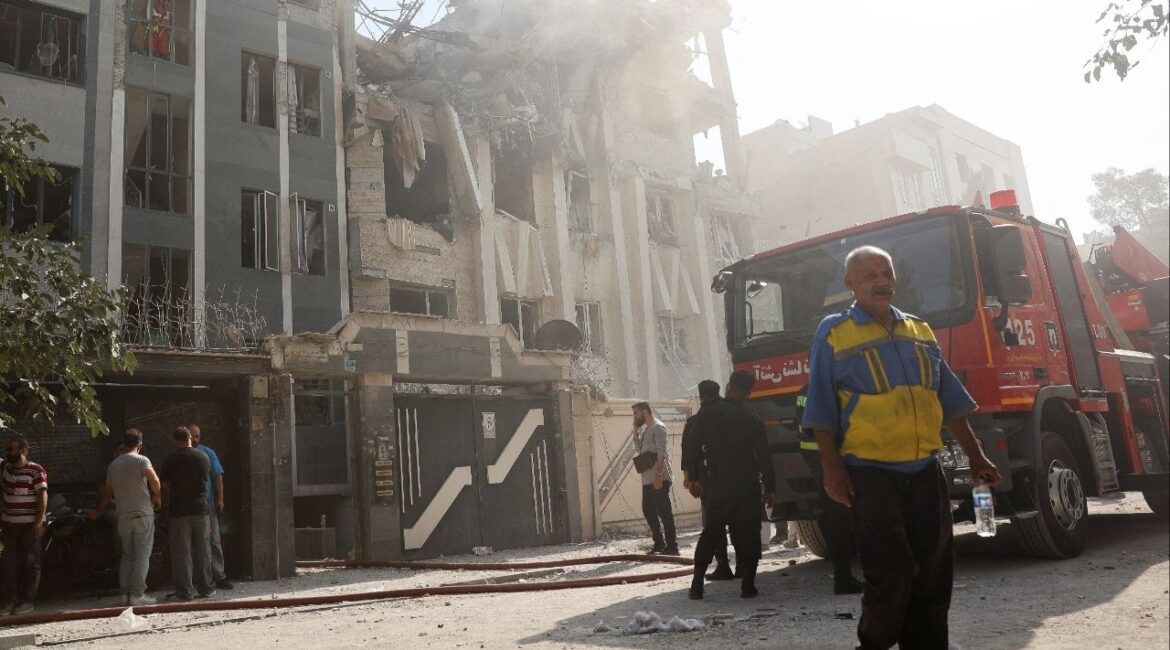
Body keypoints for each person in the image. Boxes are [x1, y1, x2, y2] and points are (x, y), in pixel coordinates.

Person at [801, 245, 1002, 649]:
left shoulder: (920, 332)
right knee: (891, 571)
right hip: (870, 472)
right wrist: (831, 467)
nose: (880, 281)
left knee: (933, 573)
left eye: (886, 273)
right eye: (870, 275)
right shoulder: (834, 332)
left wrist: (976, 455)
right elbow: (820, 404)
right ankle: (873, 643)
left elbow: (948, 400)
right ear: (851, 284)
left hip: (925, 471)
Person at [685, 370, 775, 600]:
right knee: (749, 534)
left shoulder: (708, 414)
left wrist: (693, 477)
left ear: (728, 387)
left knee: (711, 533)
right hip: (746, 486)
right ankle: (748, 584)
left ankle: (696, 585)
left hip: (717, 485)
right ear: (749, 392)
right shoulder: (752, 418)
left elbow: (692, 446)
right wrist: (771, 488)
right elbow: (764, 456)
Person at [89, 429, 163, 605]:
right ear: (140, 445)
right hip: (142, 514)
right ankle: (137, 594)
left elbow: (107, 493)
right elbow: (155, 480)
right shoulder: (141, 460)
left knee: (127, 555)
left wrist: (99, 511)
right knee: (142, 555)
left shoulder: (113, 465)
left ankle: (124, 594)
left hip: (123, 517)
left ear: (123, 444)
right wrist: (157, 496)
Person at [681, 379, 733, 580]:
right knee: (739, 522)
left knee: (714, 525)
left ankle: (721, 566)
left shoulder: (696, 421)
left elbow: (688, 452)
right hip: (738, 478)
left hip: (710, 482)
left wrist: (691, 478)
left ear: (700, 396)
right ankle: (746, 570)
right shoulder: (734, 414)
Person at [159, 426, 215, 601]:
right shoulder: (203, 457)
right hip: (200, 509)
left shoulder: (170, 459)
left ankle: (185, 591)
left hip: (179, 511)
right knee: (203, 550)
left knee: (182, 552)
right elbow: (206, 479)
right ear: (190, 438)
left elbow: (165, 485)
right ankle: (206, 588)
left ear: (175, 440)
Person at [0, 437, 47, 615]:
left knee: (32, 562)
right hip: (10, 526)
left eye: (11, 449)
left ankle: (27, 601)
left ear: (23, 451)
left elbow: (43, 495)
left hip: (30, 526)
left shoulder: (35, 470)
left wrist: (38, 521)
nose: (8, 453)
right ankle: (9, 602)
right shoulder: (5, 468)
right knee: (8, 563)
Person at [632, 402, 678, 556]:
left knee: (664, 512)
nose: (635, 416)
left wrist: (658, 476)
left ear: (645, 411)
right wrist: (635, 431)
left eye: (636, 413)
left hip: (659, 478)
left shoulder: (658, 427)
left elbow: (661, 454)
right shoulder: (646, 429)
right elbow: (640, 450)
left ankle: (672, 546)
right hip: (647, 478)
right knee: (648, 510)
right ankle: (659, 543)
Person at [189, 424, 232, 590]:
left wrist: (220, 499)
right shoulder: (180, 454)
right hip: (189, 508)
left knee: (214, 540)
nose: (195, 439)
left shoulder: (207, 452)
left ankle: (218, 576)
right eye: (192, 436)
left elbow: (217, 476)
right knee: (194, 543)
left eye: (197, 436)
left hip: (208, 505)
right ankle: (196, 578)